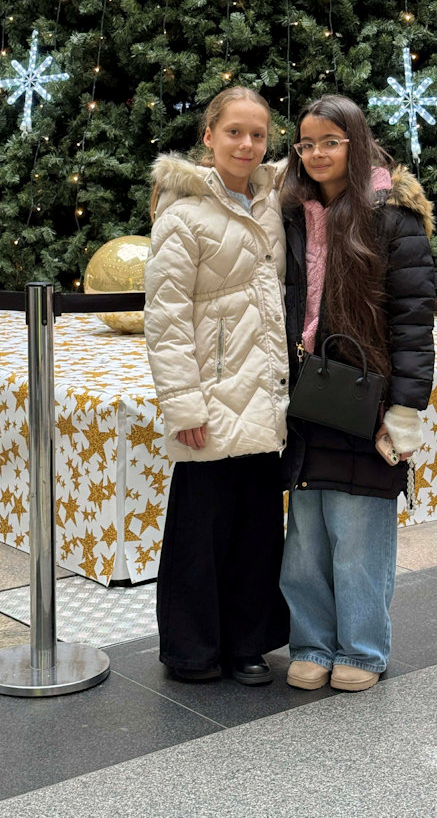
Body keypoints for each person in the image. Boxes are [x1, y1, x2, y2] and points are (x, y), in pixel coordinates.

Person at [279, 94, 435, 693]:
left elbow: (413, 322)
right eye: (307, 143)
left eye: (331, 142)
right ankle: (312, 643)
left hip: (364, 393)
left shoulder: (392, 216)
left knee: (359, 531)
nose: (317, 154)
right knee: (306, 537)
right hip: (306, 392)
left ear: (356, 143)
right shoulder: (291, 211)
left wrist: (406, 407)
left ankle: (363, 649)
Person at [144, 86, 290, 685]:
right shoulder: (182, 216)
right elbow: (166, 317)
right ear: (209, 136)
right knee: (199, 528)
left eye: (258, 134)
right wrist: (183, 404)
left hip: (266, 391)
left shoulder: (272, 202)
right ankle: (193, 649)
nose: (246, 144)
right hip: (212, 392)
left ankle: (248, 644)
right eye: (234, 131)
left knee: (258, 526)